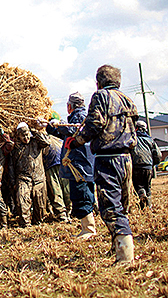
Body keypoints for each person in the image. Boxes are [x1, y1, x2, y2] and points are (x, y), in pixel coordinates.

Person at [66, 65, 138, 264]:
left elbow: (94, 124)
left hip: (108, 158)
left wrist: (76, 140)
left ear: (98, 82)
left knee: (110, 207)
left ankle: (125, 256)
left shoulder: (100, 97)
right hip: (126, 158)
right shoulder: (127, 99)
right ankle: (117, 246)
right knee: (122, 207)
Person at [46, 92, 96, 240]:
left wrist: (59, 123)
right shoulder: (78, 117)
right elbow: (67, 134)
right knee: (80, 194)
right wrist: (48, 127)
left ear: (69, 106)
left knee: (82, 194)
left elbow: (75, 130)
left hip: (80, 164)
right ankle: (85, 228)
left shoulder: (80, 117)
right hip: (81, 164)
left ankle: (89, 230)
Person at [8, 122, 50, 228]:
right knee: (22, 201)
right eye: (23, 135)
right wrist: (13, 182)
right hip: (23, 178)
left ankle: (38, 221)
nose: (26, 137)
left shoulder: (36, 142)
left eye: (27, 134)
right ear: (18, 135)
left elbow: (46, 142)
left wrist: (35, 131)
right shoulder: (16, 148)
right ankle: (25, 224)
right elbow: (11, 166)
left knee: (40, 203)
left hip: (38, 177)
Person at [131, 120, 161, 209]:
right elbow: (158, 155)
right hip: (148, 167)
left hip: (135, 167)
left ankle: (141, 194)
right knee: (148, 187)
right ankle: (149, 207)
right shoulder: (150, 140)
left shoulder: (132, 139)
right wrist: (153, 164)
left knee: (138, 186)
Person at [43, 134, 72, 223]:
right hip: (50, 165)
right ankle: (61, 214)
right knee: (56, 191)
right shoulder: (42, 136)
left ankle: (70, 211)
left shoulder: (59, 133)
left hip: (63, 164)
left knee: (67, 190)